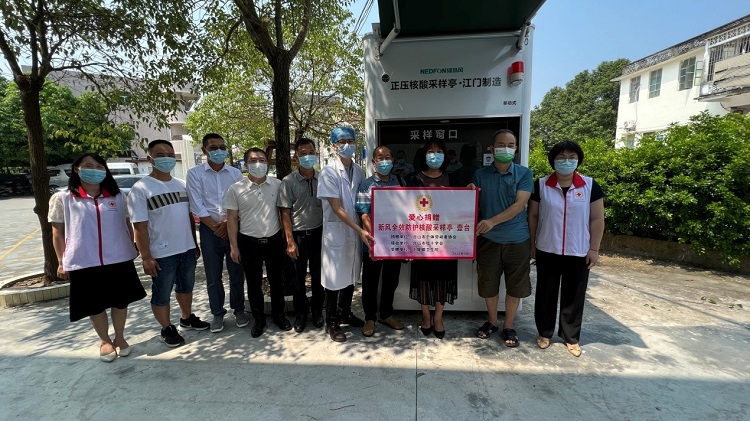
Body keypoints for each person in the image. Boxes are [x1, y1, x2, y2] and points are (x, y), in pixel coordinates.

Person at [49, 153, 146, 361]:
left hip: (119, 258)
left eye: (99, 166)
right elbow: (57, 232)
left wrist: (132, 246)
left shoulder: (117, 196)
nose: (94, 170)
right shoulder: (63, 198)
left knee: (121, 302)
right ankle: (105, 340)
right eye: (88, 165)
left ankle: (120, 337)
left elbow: (127, 224)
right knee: (95, 304)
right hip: (84, 261)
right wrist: (61, 261)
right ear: (77, 169)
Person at [127, 140, 209, 348]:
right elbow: (139, 226)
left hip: (187, 248)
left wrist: (194, 243)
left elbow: (189, 217)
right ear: (150, 158)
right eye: (160, 155)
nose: (167, 159)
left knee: (186, 287)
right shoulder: (141, 189)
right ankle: (166, 328)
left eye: (170, 155)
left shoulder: (182, 185)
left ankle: (186, 318)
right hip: (162, 253)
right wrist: (146, 256)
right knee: (162, 293)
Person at [528, 140, 605, 357]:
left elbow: (597, 219)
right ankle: (544, 333)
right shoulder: (541, 185)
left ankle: (571, 337)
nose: (566, 161)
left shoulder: (590, 185)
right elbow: (533, 215)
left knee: (574, 295)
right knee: (546, 293)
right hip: (547, 248)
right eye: (561, 157)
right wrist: (532, 244)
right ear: (553, 160)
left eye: (572, 157)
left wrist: (594, 249)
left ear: (578, 160)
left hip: (579, 250)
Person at [470, 129, 533, 347]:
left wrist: (492, 221)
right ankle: (492, 321)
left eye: (510, 145)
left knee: (515, 286)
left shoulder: (524, 173)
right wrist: (469, 192)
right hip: (488, 240)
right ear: (492, 148)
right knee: (488, 285)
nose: (506, 148)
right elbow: (473, 203)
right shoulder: (480, 175)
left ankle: (509, 325)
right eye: (501, 145)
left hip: (517, 240)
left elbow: (519, 205)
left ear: (515, 149)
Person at [225, 148, 291, 338]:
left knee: (277, 281)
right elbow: (231, 219)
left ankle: (279, 316)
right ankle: (259, 319)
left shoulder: (278, 185)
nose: (258, 164)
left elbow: (284, 213)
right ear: (246, 165)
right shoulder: (236, 189)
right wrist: (234, 246)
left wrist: (287, 239)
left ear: (268, 164)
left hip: (274, 240)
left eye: (262, 160)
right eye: (253, 161)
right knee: (253, 284)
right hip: (248, 241)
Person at [186, 133, 247, 333]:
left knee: (236, 272)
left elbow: (241, 201)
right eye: (213, 148)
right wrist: (216, 227)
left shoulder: (235, 173)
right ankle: (218, 313)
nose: (219, 151)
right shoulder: (195, 174)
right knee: (213, 275)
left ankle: (239, 309)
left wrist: (228, 224)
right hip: (208, 230)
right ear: (205, 150)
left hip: (233, 227)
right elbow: (196, 204)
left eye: (222, 147)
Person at [317, 126, 367, 342]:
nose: (347, 145)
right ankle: (331, 322)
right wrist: (360, 229)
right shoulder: (328, 172)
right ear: (334, 145)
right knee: (333, 279)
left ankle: (345, 312)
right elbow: (337, 208)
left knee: (351, 275)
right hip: (337, 232)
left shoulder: (359, 171)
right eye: (342, 141)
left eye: (351, 140)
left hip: (355, 232)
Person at [406, 139, 458, 339]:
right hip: (421, 241)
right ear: (424, 155)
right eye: (430, 151)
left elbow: (461, 206)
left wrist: (471, 190)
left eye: (439, 151)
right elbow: (405, 210)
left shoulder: (453, 179)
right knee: (423, 279)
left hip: (446, 240)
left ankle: (438, 318)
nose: (435, 155)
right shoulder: (413, 179)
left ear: (445, 155)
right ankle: (426, 316)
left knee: (442, 279)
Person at [355, 146, 405, 337]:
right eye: (380, 158)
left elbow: (407, 212)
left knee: (391, 281)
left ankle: (386, 314)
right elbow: (364, 214)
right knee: (370, 282)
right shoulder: (366, 185)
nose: (384, 161)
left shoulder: (400, 182)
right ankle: (370, 318)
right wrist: (373, 242)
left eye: (388, 157)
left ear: (392, 160)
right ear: (374, 162)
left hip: (395, 242)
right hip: (373, 243)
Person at [277, 138, 325, 332]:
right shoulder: (288, 182)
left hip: (319, 234)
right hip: (297, 236)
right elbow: (285, 213)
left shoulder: (322, 179)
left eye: (311, 152)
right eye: (303, 153)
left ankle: (317, 312)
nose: (308, 156)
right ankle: (301, 314)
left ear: (316, 154)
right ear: (296, 156)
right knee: (297, 279)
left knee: (319, 276)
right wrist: (290, 241)